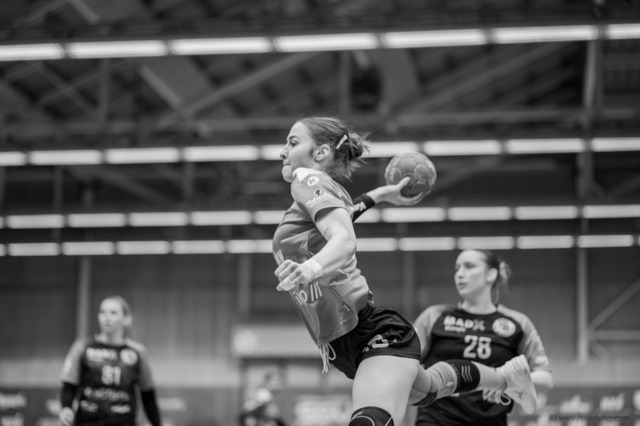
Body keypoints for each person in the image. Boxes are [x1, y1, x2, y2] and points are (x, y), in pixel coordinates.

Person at [271, 116, 540, 426]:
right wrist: (380, 195)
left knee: (370, 420)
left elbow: (343, 239)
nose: (282, 151)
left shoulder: (306, 179)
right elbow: (343, 217)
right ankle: (505, 377)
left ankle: (505, 378)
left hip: (373, 335)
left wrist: (310, 268)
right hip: (345, 345)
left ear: (320, 153)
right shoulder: (315, 197)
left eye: (292, 142)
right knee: (429, 388)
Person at [413, 249, 554, 426]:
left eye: (469, 266)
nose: (460, 274)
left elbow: (546, 380)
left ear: (491, 275)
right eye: (457, 268)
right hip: (436, 420)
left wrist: (504, 379)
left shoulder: (517, 323)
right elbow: (406, 363)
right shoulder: (434, 316)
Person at [59, 295, 163, 426]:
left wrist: (157, 423)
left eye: (113, 313)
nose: (106, 317)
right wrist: (66, 407)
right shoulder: (83, 347)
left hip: (123, 422)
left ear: (126, 319)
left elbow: (147, 394)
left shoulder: (137, 352)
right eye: (102, 312)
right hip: (87, 421)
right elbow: (69, 384)